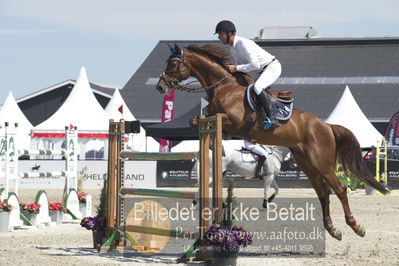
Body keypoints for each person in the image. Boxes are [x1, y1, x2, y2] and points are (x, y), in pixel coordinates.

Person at [214, 20, 282, 126]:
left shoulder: (243, 43)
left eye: (220, 34)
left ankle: (272, 117)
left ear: (229, 33)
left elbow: (255, 65)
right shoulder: (233, 48)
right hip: (260, 72)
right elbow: (241, 69)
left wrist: (235, 68)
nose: (218, 38)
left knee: (257, 87)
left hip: (271, 67)